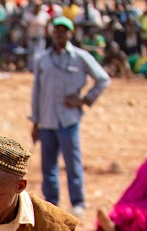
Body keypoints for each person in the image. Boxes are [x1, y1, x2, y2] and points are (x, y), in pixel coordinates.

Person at [30, 16, 110, 218]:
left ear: (70, 34)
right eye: (56, 30)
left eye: (64, 31)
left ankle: (78, 203)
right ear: (52, 33)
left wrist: (84, 99)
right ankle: (51, 205)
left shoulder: (80, 57)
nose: (60, 34)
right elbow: (36, 92)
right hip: (47, 119)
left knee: (72, 163)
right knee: (48, 165)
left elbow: (102, 79)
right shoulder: (43, 60)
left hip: (68, 120)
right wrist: (35, 121)